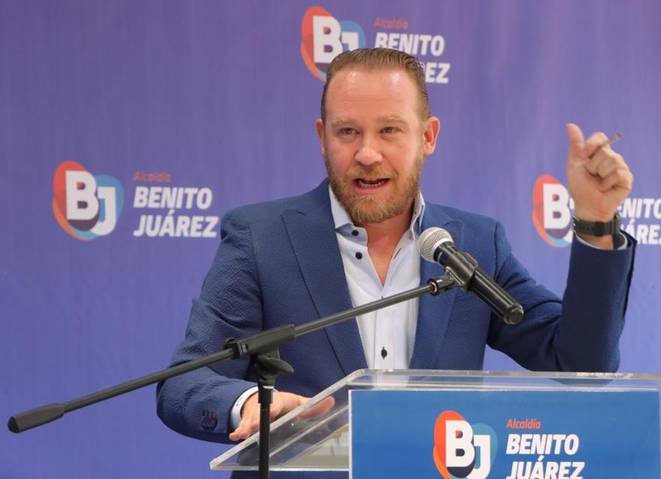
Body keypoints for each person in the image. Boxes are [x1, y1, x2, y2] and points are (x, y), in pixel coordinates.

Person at [156, 48, 635, 475]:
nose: (367, 154)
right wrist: (248, 404)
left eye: (389, 130)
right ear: (322, 137)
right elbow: (184, 383)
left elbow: (582, 363)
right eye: (348, 131)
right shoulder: (261, 238)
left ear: (428, 136)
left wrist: (596, 223)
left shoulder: (475, 245)